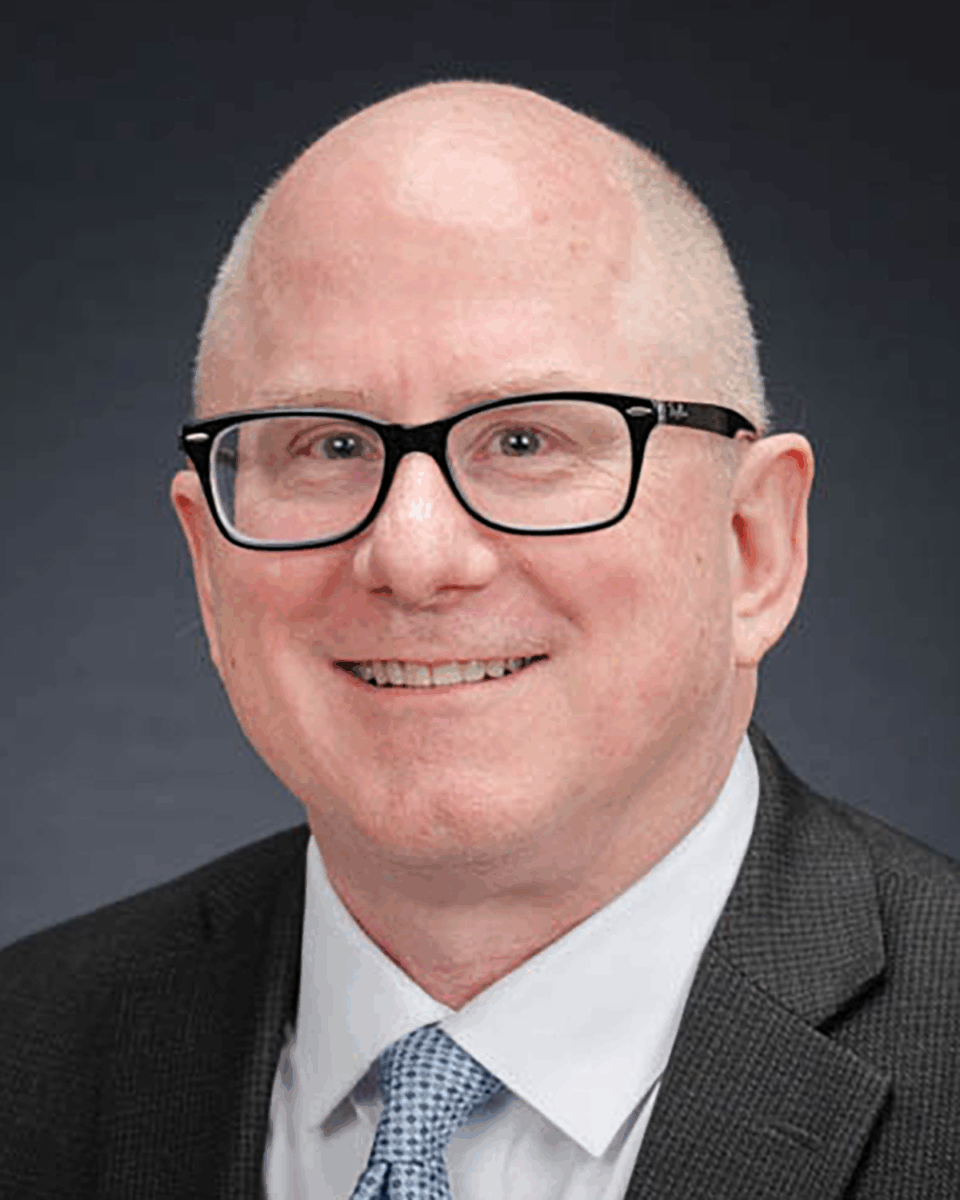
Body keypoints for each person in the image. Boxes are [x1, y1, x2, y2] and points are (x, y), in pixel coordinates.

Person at [1, 80, 958, 1200]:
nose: (414, 557)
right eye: (327, 447)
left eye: (525, 440)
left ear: (755, 546)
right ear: (209, 565)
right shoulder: (29, 1054)